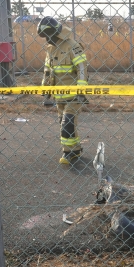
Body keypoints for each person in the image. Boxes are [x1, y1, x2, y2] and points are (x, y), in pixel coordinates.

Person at [37, 16, 89, 165]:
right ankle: (75, 150)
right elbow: (47, 70)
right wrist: (45, 88)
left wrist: (81, 90)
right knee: (63, 124)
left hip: (74, 95)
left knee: (68, 123)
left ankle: (68, 152)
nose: (46, 39)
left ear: (55, 33)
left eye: (48, 36)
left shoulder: (72, 46)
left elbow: (82, 67)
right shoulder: (51, 49)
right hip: (59, 95)